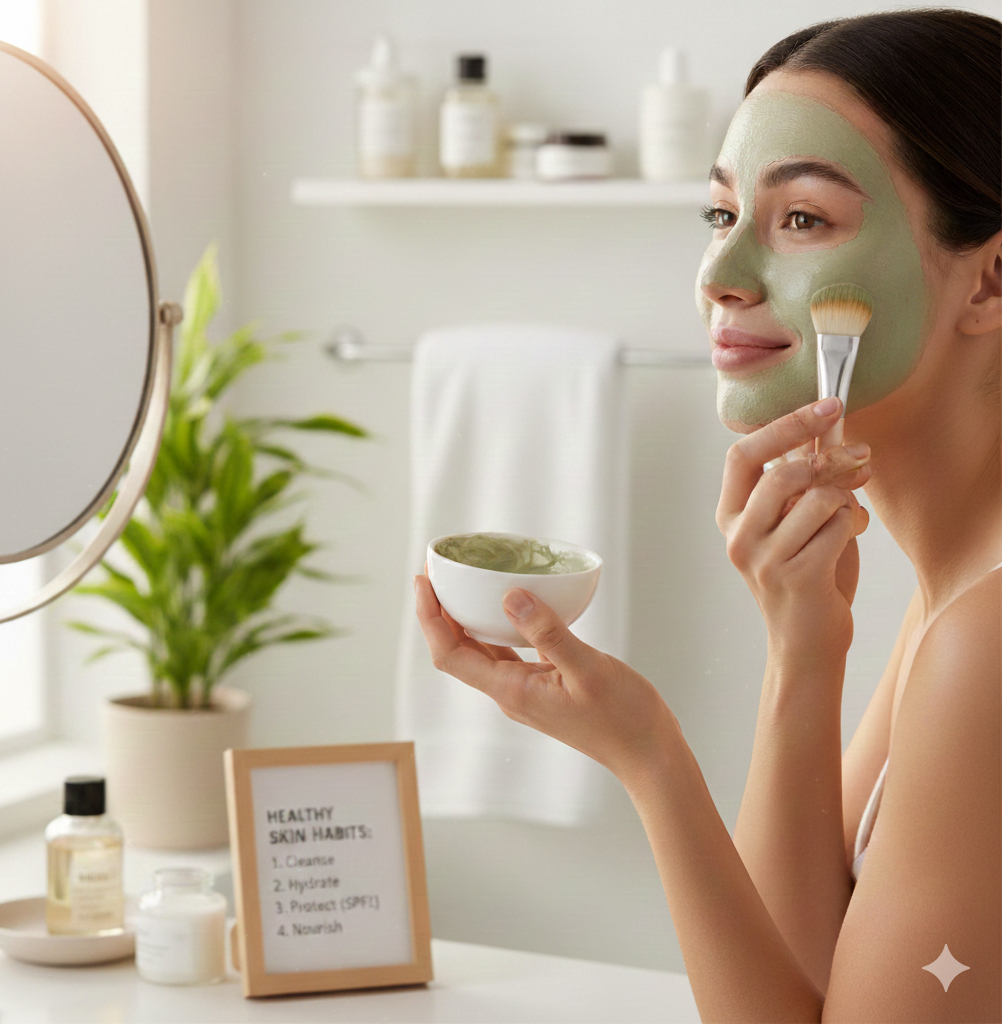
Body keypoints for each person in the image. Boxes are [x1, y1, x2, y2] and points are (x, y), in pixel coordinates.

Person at [415, 10, 1000, 1021]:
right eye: (721, 215)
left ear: (988, 280)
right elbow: (806, 984)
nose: (720, 278)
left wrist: (650, 757)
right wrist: (801, 646)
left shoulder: (984, 642)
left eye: (803, 219)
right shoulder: (954, 595)